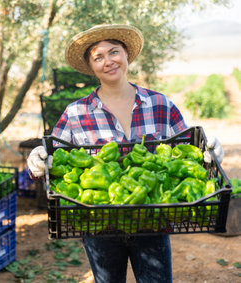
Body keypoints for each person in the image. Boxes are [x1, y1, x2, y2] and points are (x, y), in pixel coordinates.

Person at [27, 24, 224, 283]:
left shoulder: (160, 104)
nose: (108, 61)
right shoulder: (76, 113)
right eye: (98, 57)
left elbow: (190, 149)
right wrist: (37, 160)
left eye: (114, 52)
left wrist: (209, 150)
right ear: (91, 66)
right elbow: (52, 162)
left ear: (126, 55)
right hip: (98, 225)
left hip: (152, 222)